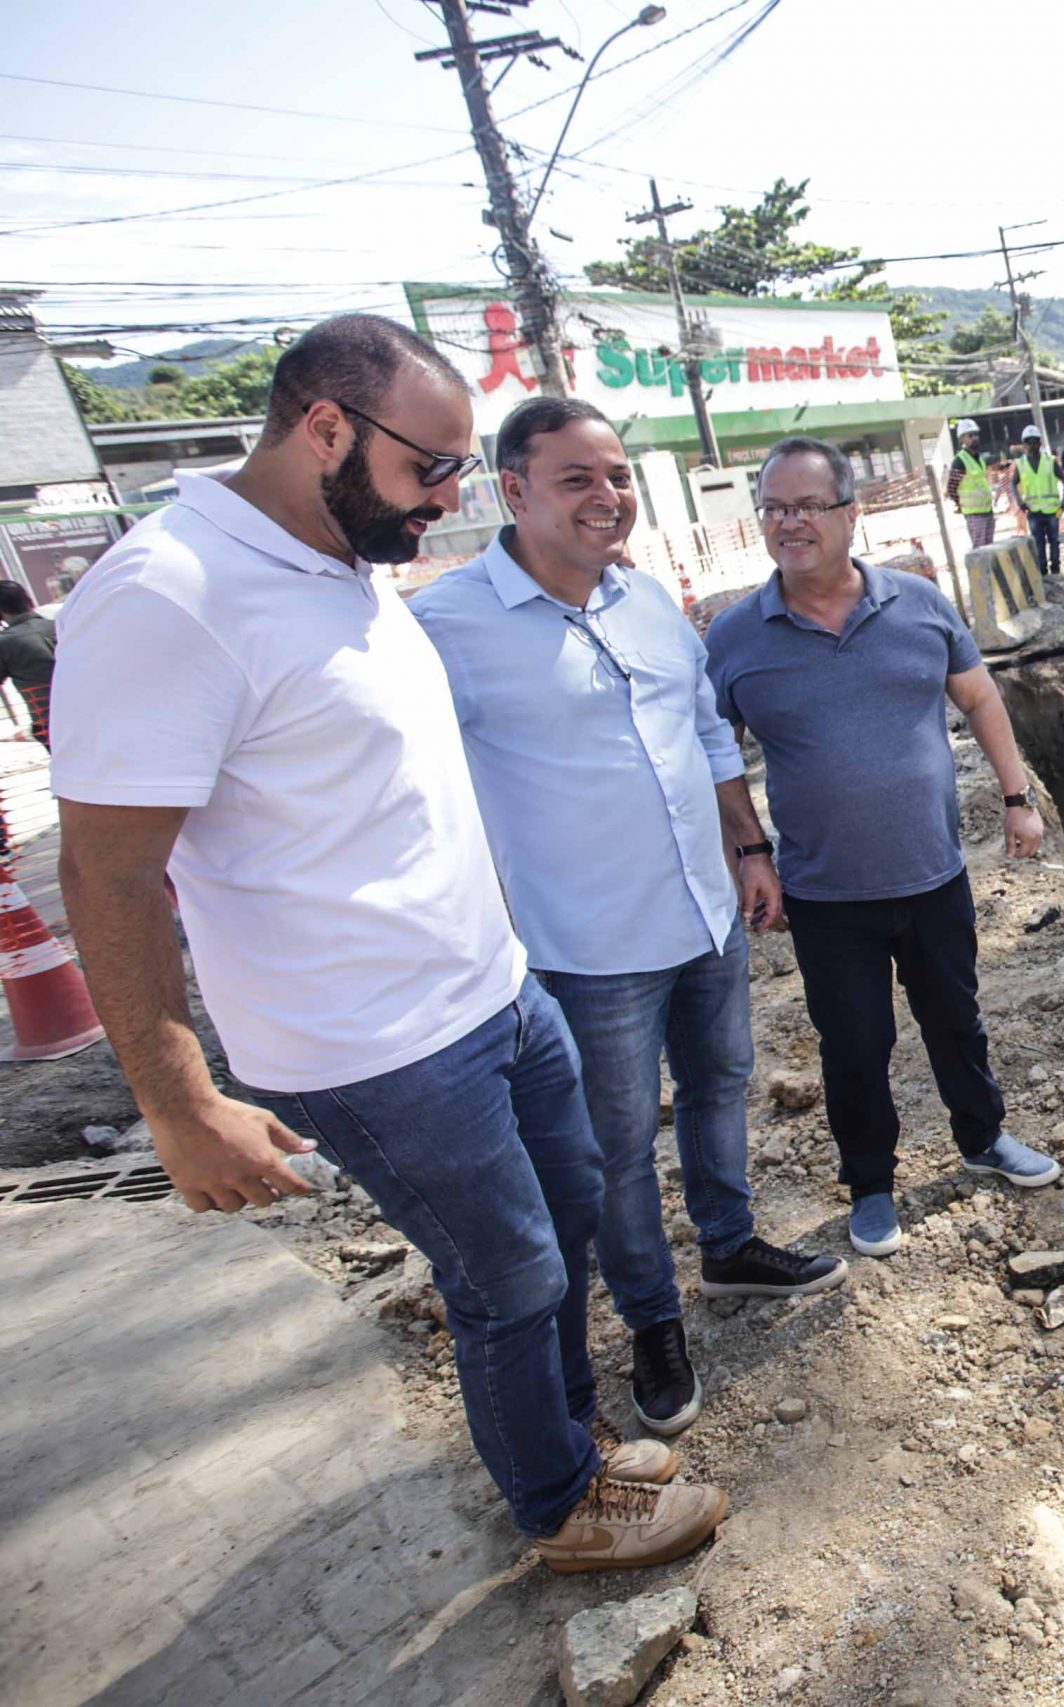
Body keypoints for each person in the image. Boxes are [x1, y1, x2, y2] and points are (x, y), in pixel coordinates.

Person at [50, 313, 726, 1572]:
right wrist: (178, 1099)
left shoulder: (335, 560)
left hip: (492, 993)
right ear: (324, 431)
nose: (449, 502)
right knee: (509, 1272)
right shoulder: (170, 596)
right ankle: (560, 1504)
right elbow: (108, 867)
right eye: (434, 469)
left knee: (568, 1211)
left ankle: (569, 1436)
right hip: (370, 1043)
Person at [411, 397, 845, 1442]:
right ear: (509, 490)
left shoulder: (649, 602)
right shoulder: (446, 629)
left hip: (704, 914)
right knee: (611, 1149)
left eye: (616, 477)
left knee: (720, 1086)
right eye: (576, 479)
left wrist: (747, 849)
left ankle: (731, 1245)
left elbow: (703, 734)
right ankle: (653, 1320)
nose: (606, 497)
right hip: (587, 948)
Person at [705, 438, 1064, 1260]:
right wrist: (751, 850)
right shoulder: (735, 638)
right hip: (826, 894)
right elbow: (716, 752)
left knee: (956, 1020)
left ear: (849, 513)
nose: (788, 522)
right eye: (774, 507)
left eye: (807, 506)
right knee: (855, 1045)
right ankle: (870, 1183)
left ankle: (984, 1137)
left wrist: (1019, 797)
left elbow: (979, 697)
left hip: (933, 875)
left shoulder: (919, 604)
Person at [0, 580, 57, 747]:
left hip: (52, 725)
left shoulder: (6, 643)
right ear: (28, 600)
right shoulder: (61, 625)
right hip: (98, 712)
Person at [1012, 426, 1064, 577]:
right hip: (1033, 512)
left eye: (1034, 442)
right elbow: (1013, 483)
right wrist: (1019, 501)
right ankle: (1043, 571)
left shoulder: (1050, 461)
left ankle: (1055, 569)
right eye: (1028, 442)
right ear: (1024, 445)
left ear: (1040, 443)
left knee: (1054, 541)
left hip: (1052, 511)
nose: (1031, 445)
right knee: (1039, 543)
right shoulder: (1021, 464)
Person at [945, 418, 998, 549]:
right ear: (962, 439)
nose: (974, 438)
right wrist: (961, 504)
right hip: (974, 514)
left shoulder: (979, 458)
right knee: (980, 549)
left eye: (976, 434)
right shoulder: (960, 461)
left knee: (990, 548)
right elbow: (952, 488)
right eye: (970, 435)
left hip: (987, 510)